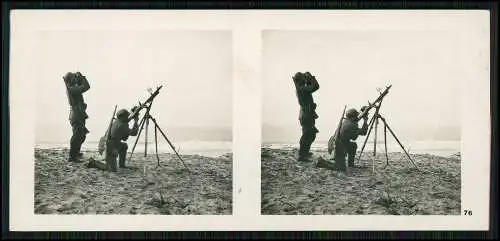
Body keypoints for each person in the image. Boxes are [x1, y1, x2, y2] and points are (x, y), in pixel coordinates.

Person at [63, 72, 90, 162]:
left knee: (81, 135)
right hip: (76, 115)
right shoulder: (72, 89)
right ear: (71, 80)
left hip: (78, 114)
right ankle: (72, 156)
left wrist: (78, 79)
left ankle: (76, 152)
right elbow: (86, 87)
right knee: (77, 136)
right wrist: (82, 77)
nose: (75, 78)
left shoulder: (72, 88)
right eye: (73, 77)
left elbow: (83, 87)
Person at [293, 71, 320, 162]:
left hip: (307, 114)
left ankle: (305, 152)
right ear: (301, 80)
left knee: (311, 134)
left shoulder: (301, 88)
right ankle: (302, 155)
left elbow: (311, 87)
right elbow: (316, 86)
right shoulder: (301, 89)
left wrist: (308, 79)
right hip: (306, 114)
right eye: (303, 79)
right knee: (307, 135)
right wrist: (311, 77)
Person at [333, 108, 369, 172]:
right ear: (352, 117)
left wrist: (363, 111)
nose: (357, 117)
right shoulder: (351, 125)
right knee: (340, 168)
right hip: (340, 146)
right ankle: (321, 163)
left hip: (338, 143)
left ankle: (350, 164)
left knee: (353, 145)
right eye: (355, 116)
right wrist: (365, 121)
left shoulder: (346, 120)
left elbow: (356, 119)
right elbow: (363, 132)